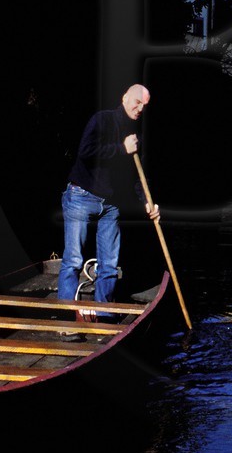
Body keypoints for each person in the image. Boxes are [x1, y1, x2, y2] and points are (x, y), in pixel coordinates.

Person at [58, 83, 160, 304]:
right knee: (74, 260)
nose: (140, 108)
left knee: (110, 264)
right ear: (125, 98)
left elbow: (137, 175)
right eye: (137, 102)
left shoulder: (136, 134)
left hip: (111, 204)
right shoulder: (102, 119)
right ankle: (65, 319)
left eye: (144, 105)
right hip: (81, 196)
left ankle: (104, 314)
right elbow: (86, 152)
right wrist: (121, 149)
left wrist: (148, 202)